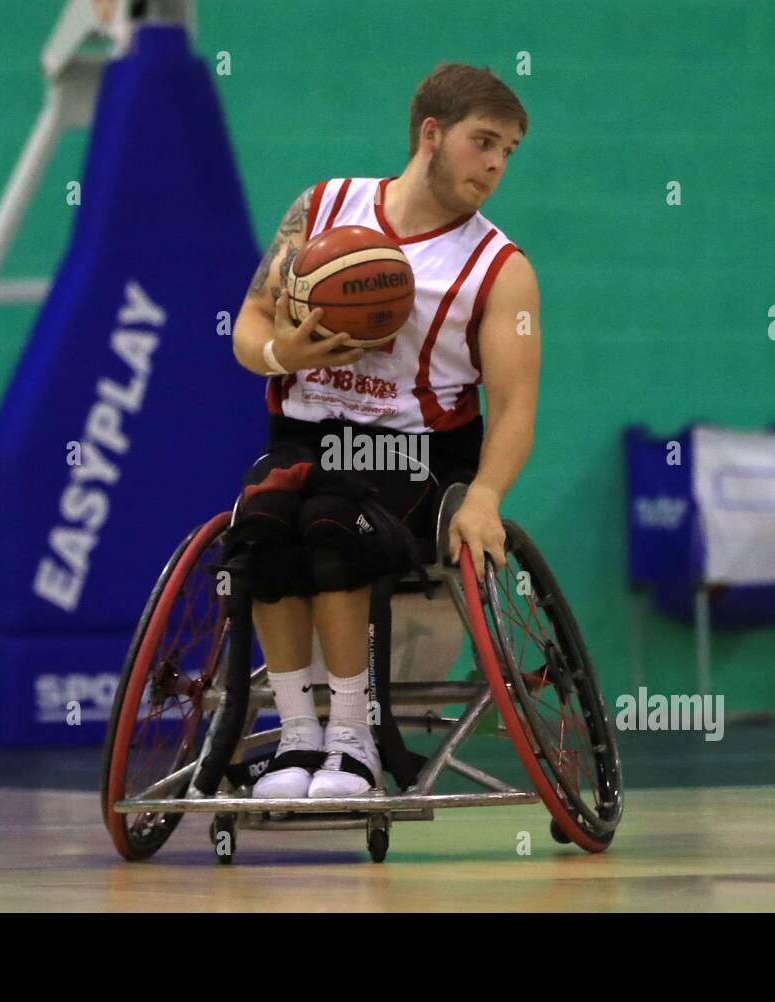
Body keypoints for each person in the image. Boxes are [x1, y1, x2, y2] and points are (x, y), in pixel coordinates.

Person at [228, 62, 540, 798]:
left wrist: (486, 496)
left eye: (509, 151)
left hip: (414, 452)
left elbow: (516, 408)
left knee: (336, 526)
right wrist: (285, 353)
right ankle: (297, 740)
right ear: (431, 135)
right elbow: (249, 327)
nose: (496, 164)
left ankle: (353, 740)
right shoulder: (324, 206)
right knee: (262, 522)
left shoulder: (501, 268)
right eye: (483, 141)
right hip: (306, 436)